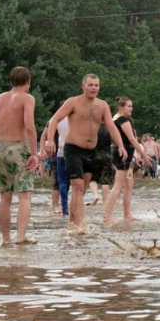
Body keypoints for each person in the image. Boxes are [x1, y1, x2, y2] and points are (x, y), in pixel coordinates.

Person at [45, 74, 126, 232]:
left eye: (96, 85)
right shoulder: (73, 102)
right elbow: (54, 119)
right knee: (77, 185)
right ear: (83, 86)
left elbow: (111, 126)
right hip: (73, 149)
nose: (94, 88)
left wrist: (120, 145)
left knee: (81, 189)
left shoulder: (102, 105)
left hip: (91, 151)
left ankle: (72, 221)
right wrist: (49, 140)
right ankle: (80, 225)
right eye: (90, 85)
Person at [0, 66, 38, 245]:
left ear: (11, 81)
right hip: (18, 146)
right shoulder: (27, 98)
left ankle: (5, 239)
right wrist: (34, 153)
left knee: (5, 196)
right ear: (29, 81)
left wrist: (1, 144)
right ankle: (20, 237)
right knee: (24, 194)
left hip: (0, 146)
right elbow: (29, 126)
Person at [103, 97, 153, 225]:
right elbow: (132, 139)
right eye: (129, 106)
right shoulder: (123, 120)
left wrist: (135, 157)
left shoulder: (115, 118)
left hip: (123, 154)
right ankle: (107, 216)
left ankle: (127, 214)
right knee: (118, 185)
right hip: (123, 155)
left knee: (129, 184)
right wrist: (144, 155)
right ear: (121, 107)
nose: (132, 108)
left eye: (131, 106)